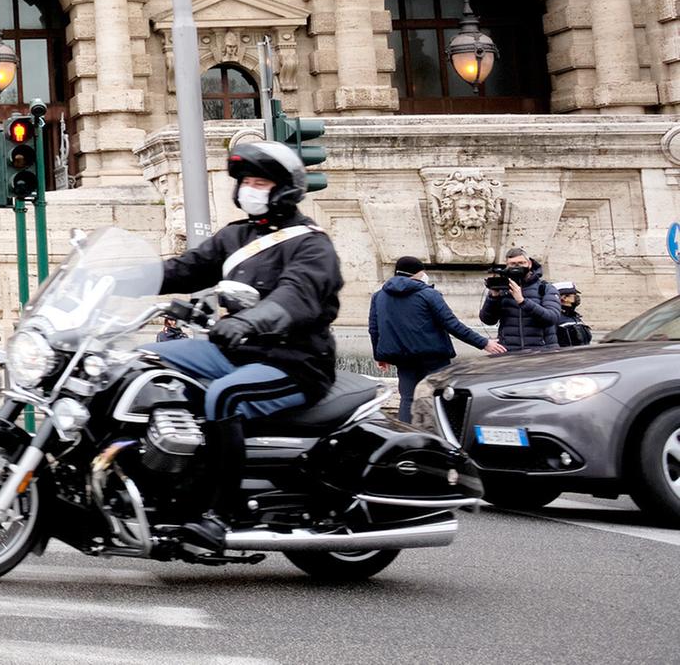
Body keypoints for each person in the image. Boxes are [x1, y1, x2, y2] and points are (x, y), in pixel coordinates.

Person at [150, 139, 345, 549]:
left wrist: (248, 321)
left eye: (260, 182)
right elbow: (184, 269)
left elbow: (295, 295)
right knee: (146, 362)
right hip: (236, 353)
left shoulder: (312, 245)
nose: (249, 189)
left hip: (294, 363)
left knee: (225, 396)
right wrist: (116, 277)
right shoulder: (235, 236)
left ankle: (217, 514)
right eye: (245, 182)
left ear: (285, 189)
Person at [369, 255, 505, 422]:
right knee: (441, 396)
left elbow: (374, 329)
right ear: (417, 273)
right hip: (433, 356)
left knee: (408, 399)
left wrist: (379, 356)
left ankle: (407, 433)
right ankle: (442, 433)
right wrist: (484, 343)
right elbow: (452, 324)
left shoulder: (379, 296)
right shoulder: (428, 294)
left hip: (402, 357)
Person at [479, 246, 566, 354]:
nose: (517, 267)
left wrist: (523, 301)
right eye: (512, 264)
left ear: (529, 264)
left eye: (521, 263)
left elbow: (552, 317)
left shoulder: (545, 288)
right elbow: (488, 320)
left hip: (542, 352)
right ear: (507, 265)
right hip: (510, 352)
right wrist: (493, 297)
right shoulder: (502, 288)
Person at [555, 283, 593, 348]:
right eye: (574, 294)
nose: (577, 297)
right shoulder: (556, 318)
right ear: (564, 298)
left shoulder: (575, 317)